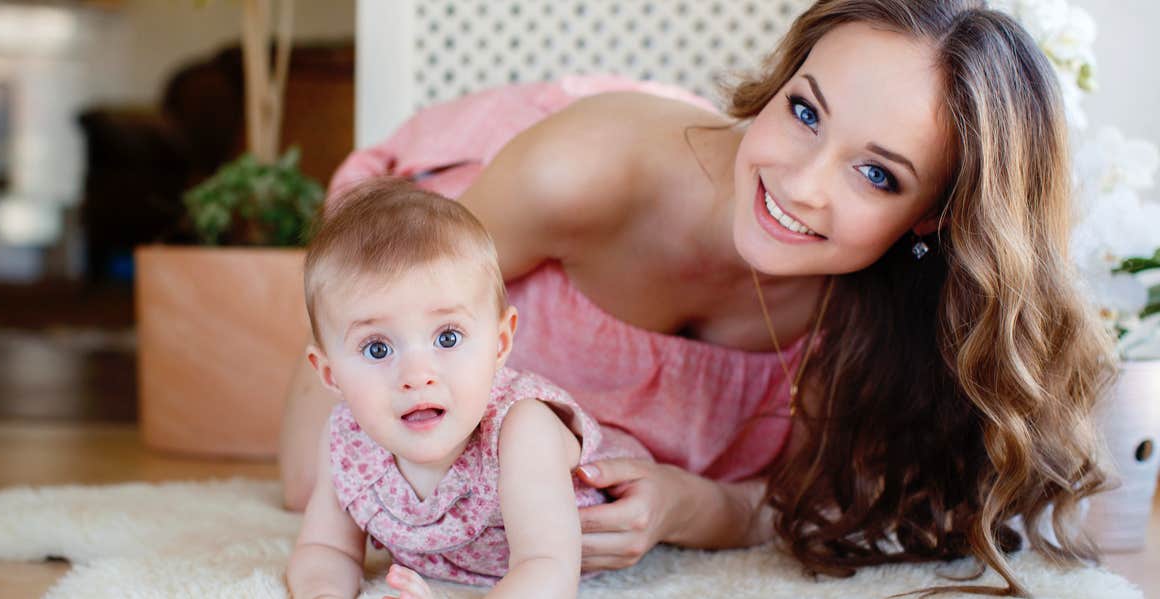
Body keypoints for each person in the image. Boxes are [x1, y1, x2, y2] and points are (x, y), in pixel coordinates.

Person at [282, 1, 1115, 595]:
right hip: (449, 221)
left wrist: (695, 503)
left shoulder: (880, 318)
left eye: (876, 173)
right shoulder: (582, 173)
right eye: (803, 111)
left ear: (931, 213)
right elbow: (355, 367)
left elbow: (817, 507)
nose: (800, 181)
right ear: (782, 82)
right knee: (299, 479)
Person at [285, 178, 652, 599]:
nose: (417, 375)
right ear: (330, 374)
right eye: (377, 347)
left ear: (499, 344)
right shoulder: (345, 438)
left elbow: (546, 567)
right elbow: (324, 547)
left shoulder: (522, 429)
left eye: (447, 338)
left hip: (600, 518)